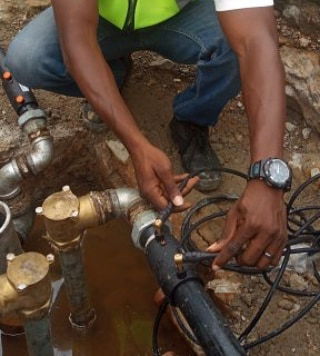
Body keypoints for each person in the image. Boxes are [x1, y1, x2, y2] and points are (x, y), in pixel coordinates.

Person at [5, 0, 289, 271]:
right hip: (103, 22)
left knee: (232, 46)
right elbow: (76, 39)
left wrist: (267, 176)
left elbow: (256, 42)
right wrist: (137, 146)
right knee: (28, 58)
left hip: (180, 19)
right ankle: (111, 77)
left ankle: (192, 119)